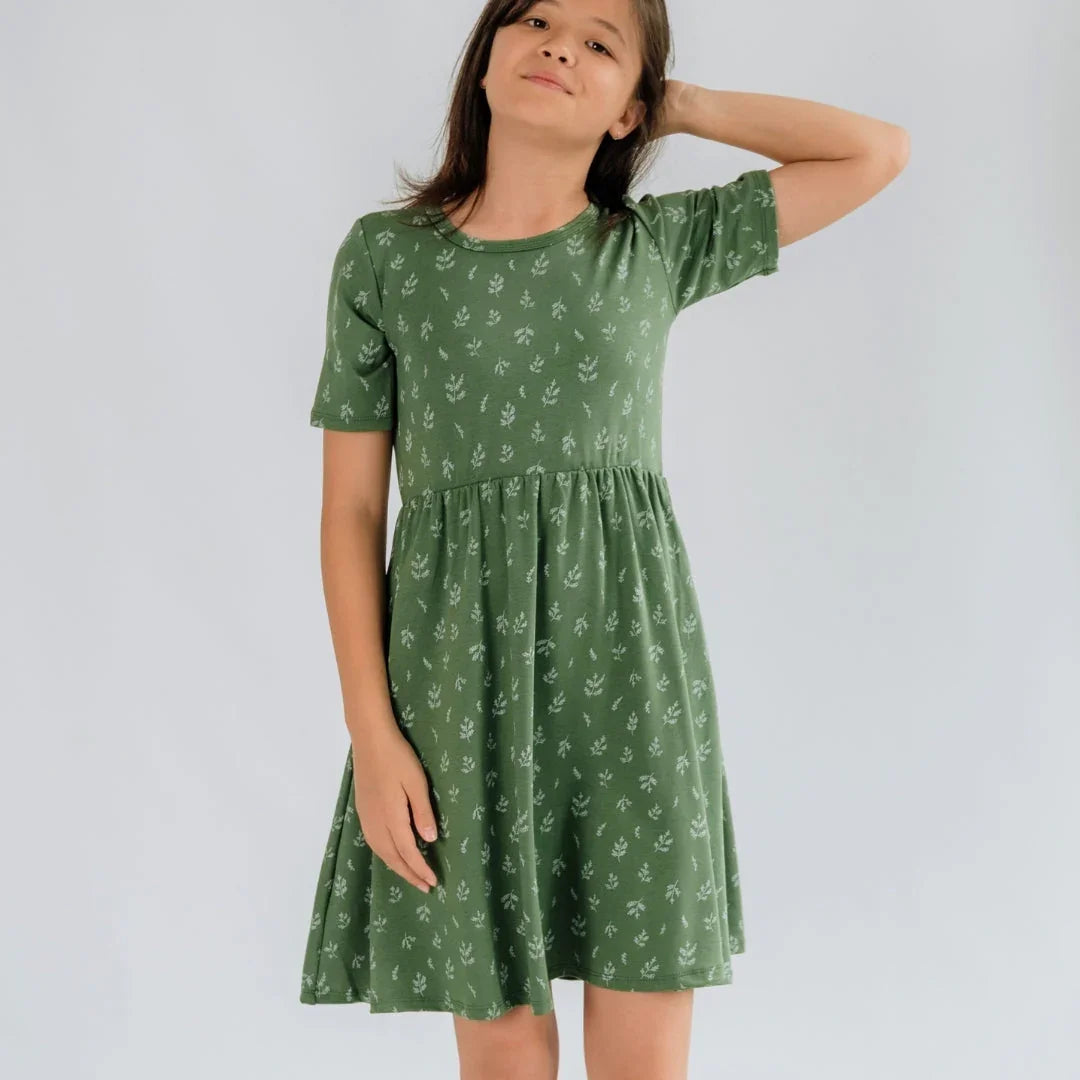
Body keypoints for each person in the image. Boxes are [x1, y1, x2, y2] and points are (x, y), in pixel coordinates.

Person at [298, 0, 908, 1074]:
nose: (557, 47)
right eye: (535, 19)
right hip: (457, 688)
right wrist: (372, 730)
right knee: (500, 1047)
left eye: (598, 42)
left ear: (631, 106)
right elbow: (351, 509)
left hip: (630, 677)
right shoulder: (387, 258)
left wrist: (681, 104)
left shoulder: (652, 246)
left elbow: (875, 152)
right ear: (485, 56)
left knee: (644, 1052)